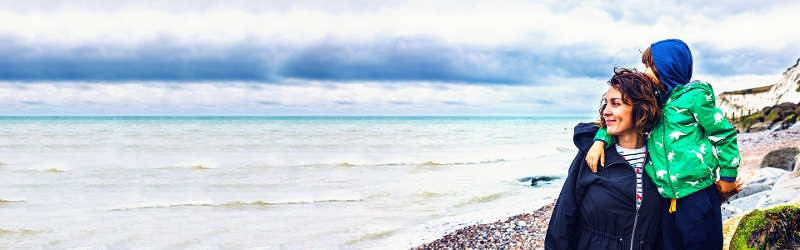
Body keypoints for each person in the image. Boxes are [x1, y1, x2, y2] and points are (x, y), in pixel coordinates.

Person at [585, 39, 742, 250]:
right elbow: (623, 121)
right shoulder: (654, 102)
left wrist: (728, 176)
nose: (645, 72)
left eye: (649, 66)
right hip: (666, 199)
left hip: (698, 195)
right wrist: (600, 140)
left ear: (668, 68)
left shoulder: (694, 98)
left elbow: (723, 134)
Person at [545, 68, 665, 250]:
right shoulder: (592, 155)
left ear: (641, 109)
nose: (606, 111)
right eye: (606, 104)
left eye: (615, 104)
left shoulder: (660, 160)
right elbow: (563, 217)